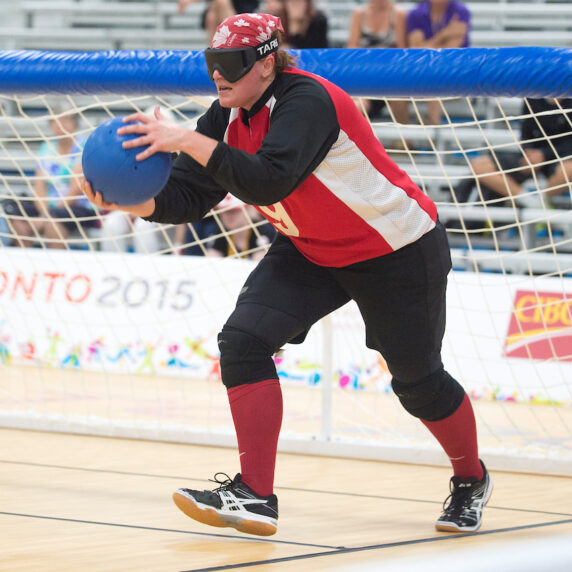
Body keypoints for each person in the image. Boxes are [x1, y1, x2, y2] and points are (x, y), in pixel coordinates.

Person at [82, 13, 492, 537]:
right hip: (311, 247)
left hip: (396, 248)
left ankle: (470, 478)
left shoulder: (308, 100)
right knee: (243, 342)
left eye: (230, 64)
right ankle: (255, 495)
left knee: (418, 384)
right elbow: (190, 197)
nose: (218, 75)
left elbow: (268, 180)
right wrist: (131, 201)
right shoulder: (225, 115)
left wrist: (185, 139)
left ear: (268, 61)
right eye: (212, 63)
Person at [4, 108, 98, 249]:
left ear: (75, 123)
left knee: (53, 223)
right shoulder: (46, 148)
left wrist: (47, 217)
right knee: (19, 217)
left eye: (65, 120)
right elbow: (40, 187)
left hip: (78, 206)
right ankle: (23, 266)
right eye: (55, 120)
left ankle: (57, 268)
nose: (60, 125)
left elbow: (76, 189)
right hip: (49, 207)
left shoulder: (83, 146)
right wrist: (43, 213)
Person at [456, 98, 572, 207]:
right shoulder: (533, 97)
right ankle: (531, 203)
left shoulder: (568, 100)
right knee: (479, 166)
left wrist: (544, 154)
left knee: (569, 169)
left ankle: (544, 200)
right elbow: (525, 133)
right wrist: (529, 153)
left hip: (560, 157)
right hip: (530, 158)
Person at [406, 0, 471, 125]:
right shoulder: (416, 13)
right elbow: (416, 50)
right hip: (423, 71)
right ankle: (431, 125)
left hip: (454, 69)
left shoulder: (460, 11)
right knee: (433, 69)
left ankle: (433, 123)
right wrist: (445, 34)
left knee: (434, 68)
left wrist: (428, 45)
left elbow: (451, 50)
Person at [347, 0, 408, 124]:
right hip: (365, 79)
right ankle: (359, 141)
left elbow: (402, 53)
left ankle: (406, 141)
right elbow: (351, 53)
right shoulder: (359, 14)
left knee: (399, 99)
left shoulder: (398, 14)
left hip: (391, 78)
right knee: (357, 106)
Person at [206, 194, 275, 260]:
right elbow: (212, 256)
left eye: (233, 211)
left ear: (247, 209)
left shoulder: (262, 231)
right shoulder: (220, 232)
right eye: (223, 211)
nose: (227, 216)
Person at [178, 0, 260, 41]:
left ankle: (231, 46)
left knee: (219, 5)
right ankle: (214, 53)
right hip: (224, 11)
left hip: (242, 12)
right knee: (211, 16)